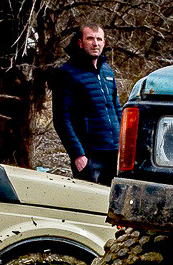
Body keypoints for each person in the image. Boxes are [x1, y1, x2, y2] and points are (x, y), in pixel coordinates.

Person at [49, 22, 122, 185]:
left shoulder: (107, 71)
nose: (95, 43)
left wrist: (122, 144)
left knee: (111, 204)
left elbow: (116, 109)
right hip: (89, 155)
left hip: (113, 152)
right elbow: (61, 119)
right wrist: (77, 154)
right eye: (90, 39)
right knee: (88, 204)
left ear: (104, 43)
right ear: (80, 43)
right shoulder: (67, 73)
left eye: (99, 39)